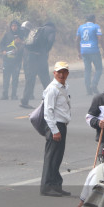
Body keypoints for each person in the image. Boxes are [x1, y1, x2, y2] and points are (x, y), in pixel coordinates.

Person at [41, 61, 72, 196]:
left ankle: (56, 185)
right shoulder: (52, 89)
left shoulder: (64, 87)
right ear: (54, 73)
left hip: (61, 125)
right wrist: (55, 130)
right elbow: (48, 112)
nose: (61, 75)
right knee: (51, 157)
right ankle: (47, 187)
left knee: (57, 158)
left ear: (67, 73)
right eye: (59, 72)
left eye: (64, 72)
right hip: (55, 126)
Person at [19, 21, 55, 109]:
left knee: (30, 79)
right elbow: (50, 41)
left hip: (31, 57)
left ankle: (24, 101)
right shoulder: (51, 30)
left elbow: (27, 44)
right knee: (45, 79)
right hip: (40, 57)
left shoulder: (37, 30)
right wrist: (46, 51)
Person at [77, 16, 104, 95]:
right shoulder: (96, 26)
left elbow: (77, 40)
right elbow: (100, 38)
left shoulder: (80, 27)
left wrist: (79, 52)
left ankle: (88, 89)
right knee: (99, 69)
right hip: (94, 50)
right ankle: (94, 85)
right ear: (94, 19)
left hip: (84, 51)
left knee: (87, 70)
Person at [0, 19, 24, 100]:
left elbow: (25, 46)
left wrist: (20, 42)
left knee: (15, 79)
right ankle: (5, 94)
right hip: (7, 60)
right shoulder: (7, 35)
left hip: (17, 61)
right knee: (6, 78)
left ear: (18, 27)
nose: (14, 27)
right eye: (12, 26)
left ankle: (14, 95)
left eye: (15, 26)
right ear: (10, 27)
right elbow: (1, 44)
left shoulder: (21, 35)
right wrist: (3, 50)